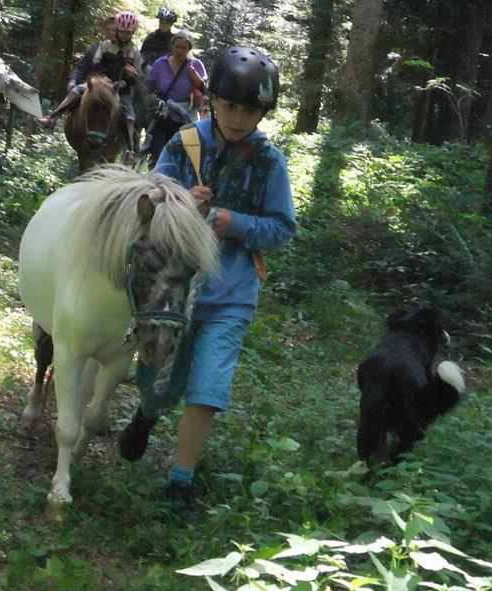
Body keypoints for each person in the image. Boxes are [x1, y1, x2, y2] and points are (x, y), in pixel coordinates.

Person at [119, 45, 297, 519]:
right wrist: (177, 197)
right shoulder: (184, 144)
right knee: (162, 373)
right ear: (213, 99)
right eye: (230, 105)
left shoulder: (269, 162)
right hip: (174, 287)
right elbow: (149, 197)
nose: (238, 117)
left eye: (250, 109)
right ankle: (149, 412)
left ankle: (180, 482)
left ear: (263, 112)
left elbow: (282, 227)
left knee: (207, 387)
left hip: (232, 293)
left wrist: (231, 222)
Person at [37, 10, 142, 164]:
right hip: (101, 82)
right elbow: (96, 64)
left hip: (120, 88)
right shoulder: (105, 46)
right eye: (122, 31)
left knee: (129, 114)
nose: (125, 35)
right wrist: (103, 78)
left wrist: (126, 79)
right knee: (76, 91)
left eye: (128, 32)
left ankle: (129, 149)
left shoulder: (135, 52)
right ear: (117, 30)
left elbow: (136, 77)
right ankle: (53, 117)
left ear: (132, 32)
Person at [143, 29, 206, 166]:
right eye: (177, 47)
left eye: (184, 47)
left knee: (180, 158)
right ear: (172, 46)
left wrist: (195, 78)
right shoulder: (161, 63)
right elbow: (147, 88)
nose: (180, 50)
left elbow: (206, 91)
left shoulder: (195, 65)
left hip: (183, 117)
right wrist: (154, 102)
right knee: (157, 156)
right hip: (162, 115)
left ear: (189, 48)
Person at [140, 7, 177, 75]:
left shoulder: (174, 40)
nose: (164, 26)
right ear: (159, 22)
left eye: (167, 23)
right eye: (162, 23)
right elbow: (142, 53)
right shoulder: (151, 37)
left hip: (167, 70)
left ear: (171, 25)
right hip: (150, 67)